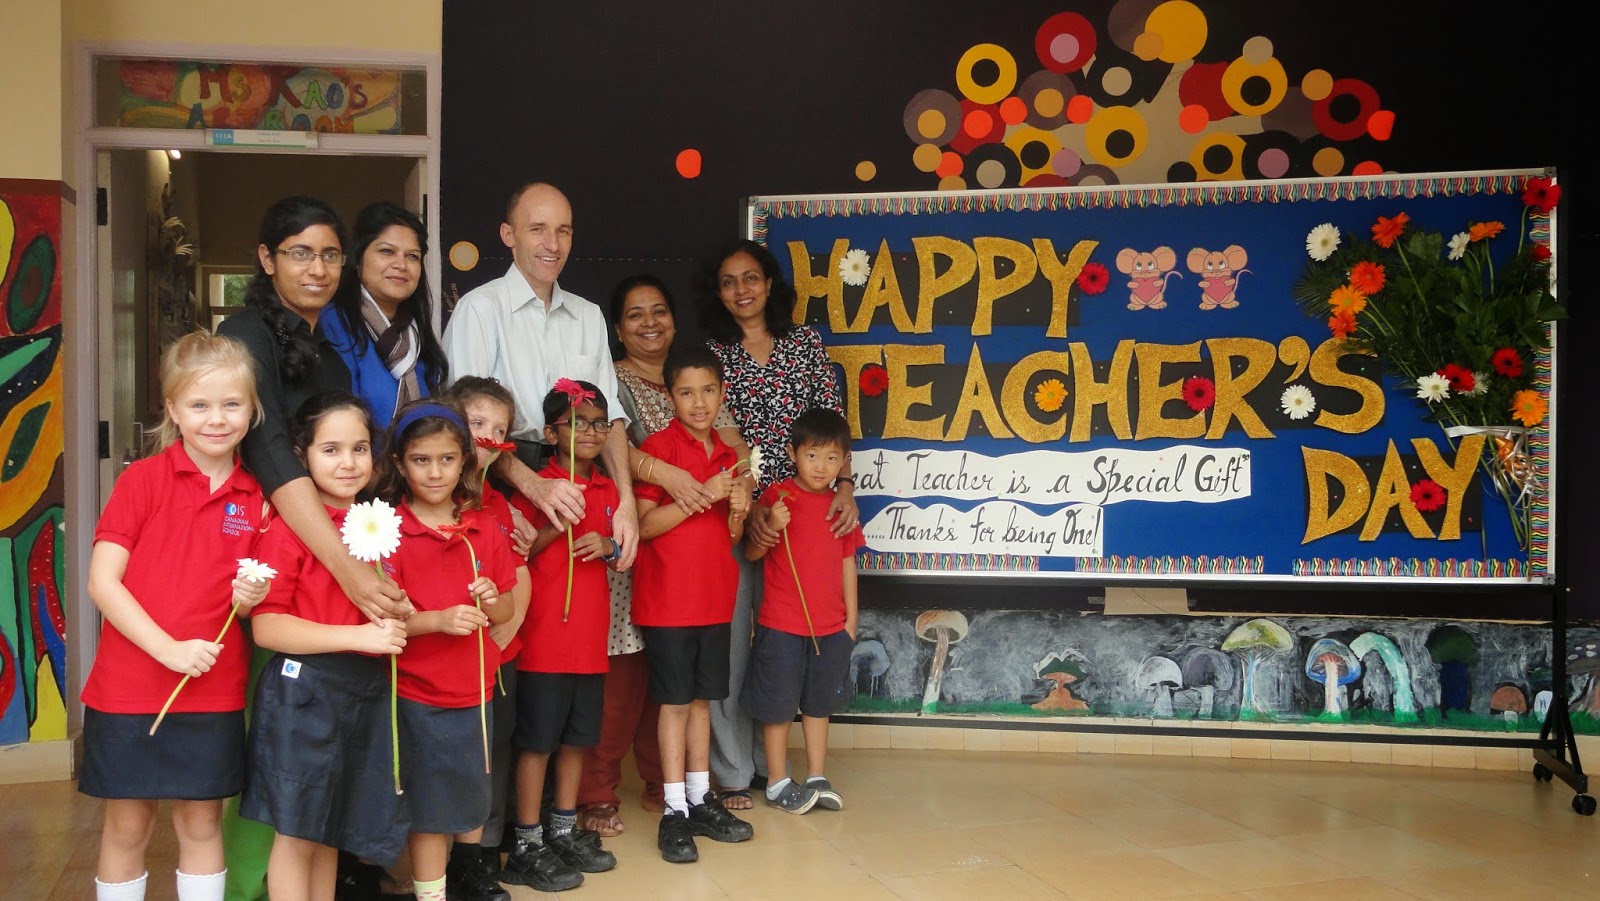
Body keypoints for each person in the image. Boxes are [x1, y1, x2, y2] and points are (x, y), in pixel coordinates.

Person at [217, 196, 410, 901]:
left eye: (330, 254)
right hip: (267, 551)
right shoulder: (243, 332)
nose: (318, 267)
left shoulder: (330, 343)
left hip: (320, 555)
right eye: (301, 252)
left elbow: (344, 450)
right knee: (269, 752)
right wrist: (346, 568)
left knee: (310, 784)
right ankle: (245, 889)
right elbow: (271, 450)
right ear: (267, 260)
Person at [81, 333, 272, 901]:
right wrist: (167, 649)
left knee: (201, 823)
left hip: (212, 690)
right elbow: (101, 583)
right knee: (127, 825)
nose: (216, 419)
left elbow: (242, 604)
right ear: (172, 410)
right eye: (199, 405)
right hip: (128, 688)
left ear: (252, 409)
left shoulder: (259, 494)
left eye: (231, 405)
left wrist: (250, 596)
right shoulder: (141, 480)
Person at [576, 274, 745, 837]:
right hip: (629, 546)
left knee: (685, 691)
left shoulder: (707, 410)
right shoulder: (610, 382)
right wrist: (685, 486)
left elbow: (734, 472)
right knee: (626, 678)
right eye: (634, 314)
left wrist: (740, 497)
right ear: (616, 327)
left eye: (659, 310)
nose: (649, 322)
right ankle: (608, 791)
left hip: (701, 581)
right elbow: (611, 452)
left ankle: (672, 787)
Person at [699, 238, 858, 807]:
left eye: (751, 278)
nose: (741, 290)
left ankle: (796, 770)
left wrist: (843, 485)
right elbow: (721, 435)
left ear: (769, 284)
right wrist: (753, 505)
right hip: (745, 515)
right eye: (728, 281)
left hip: (811, 516)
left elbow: (833, 425)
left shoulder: (804, 345)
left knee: (799, 638)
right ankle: (740, 771)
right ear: (718, 293)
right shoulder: (714, 353)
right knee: (742, 645)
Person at [242, 392, 409, 901]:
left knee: (331, 827)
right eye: (331, 449)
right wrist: (358, 636)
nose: (348, 462)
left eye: (360, 449)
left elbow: (390, 607)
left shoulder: (379, 524)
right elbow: (267, 628)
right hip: (304, 694)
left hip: (362, 690)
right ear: (302, 455)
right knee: (296, 831)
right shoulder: (292, 527)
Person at [441, 182, 637, 567]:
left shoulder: (588, 315)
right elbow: (460, 422)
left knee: (571, 609)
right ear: (508, 235)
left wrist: (626, 500)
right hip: (499, 483)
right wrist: (533, 485)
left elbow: (609, 417)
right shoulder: (480, 309)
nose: (553, 243)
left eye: (563, 231)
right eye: (538, 229)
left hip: (576, 484)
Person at [379, 401, 519, 901]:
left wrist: (491, 598)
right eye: (421, 460)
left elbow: (504, 611)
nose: (435, 472)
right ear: (399, 463)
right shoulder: (387, 532)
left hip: (475, 692)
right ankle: (430, 895)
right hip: (417, 696)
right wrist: (436, 620)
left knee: (467, 800)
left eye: (446, 459)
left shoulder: (482, 527)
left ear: (465, 461)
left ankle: (453, 880)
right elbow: (382, 620)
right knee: (429, 811)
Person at [633, 344, 755, 863]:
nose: (699, 402)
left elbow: (730, 535)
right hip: (668, 603)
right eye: (686, 392)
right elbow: (645, 525)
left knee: (704, 701)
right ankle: (674, 809)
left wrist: (738, 507)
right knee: (675, 703)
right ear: (670, 397)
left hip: (715, 599)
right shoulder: (658, 452)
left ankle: (702, 797)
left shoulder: (730, 456)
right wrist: (705, 493)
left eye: (708, 391)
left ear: (722, 394)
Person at [500, 381, 622, 892]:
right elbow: (518, 553)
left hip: (591, 643)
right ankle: (527, 840)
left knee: (577, 740)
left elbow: (621, 551)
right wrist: (556, 517)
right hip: (544, 642)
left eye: (599, 423)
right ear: (552, 433)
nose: (591, 432)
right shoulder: (538, 486)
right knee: (537, 744)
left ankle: (564, 826)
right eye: (578, 423)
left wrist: (609, 543)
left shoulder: (610, 488)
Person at [741, 409, 863, 814]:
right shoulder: (777, 496)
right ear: (793, 453)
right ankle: (776, 780)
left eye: (832, 458)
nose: (821, 466)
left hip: (830, 626)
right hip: (781, 624)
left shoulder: (841, 508)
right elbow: (754, 552)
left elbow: (848, 562)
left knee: (818, 704)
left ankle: (816, 775)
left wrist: (850, 621)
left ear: (844, 462)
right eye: (812, 455)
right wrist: (773, 523)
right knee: (777, 707)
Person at [440, 376, 535, 876]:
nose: (487, 438)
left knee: (492, 753)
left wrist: (510, 621)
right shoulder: (431, 491)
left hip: (497, 655)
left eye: (499, 429)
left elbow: (517, 575)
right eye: (477, 424)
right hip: (442, 659)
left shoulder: (499, 503)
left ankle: (479, 857)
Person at [323, 201, 449, 427]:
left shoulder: (416, 335)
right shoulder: (333, 323)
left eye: (412, 256)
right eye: (387, 251)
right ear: (358, 259)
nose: (401, 264)